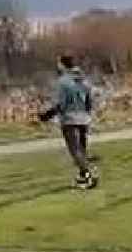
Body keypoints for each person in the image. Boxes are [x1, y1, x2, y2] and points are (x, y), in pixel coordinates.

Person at [39, 55, 98, 189]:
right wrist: (87, 113)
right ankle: (82, 177)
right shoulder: (83, 80)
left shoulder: (63, 81)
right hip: (84, 118)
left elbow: (61, 103)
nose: (57, 66)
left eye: (59, 64)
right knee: (82, 149)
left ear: (63, 65)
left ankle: (89, 175)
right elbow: (89, 100)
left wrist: (46, 115)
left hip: (70, 119)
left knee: (74, 150)